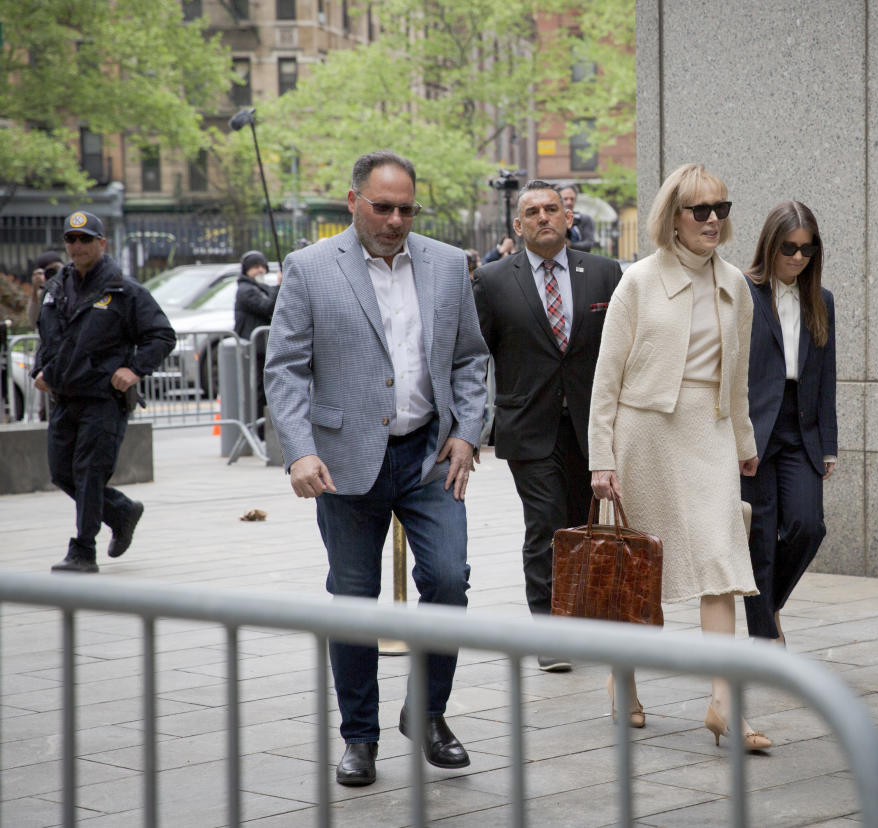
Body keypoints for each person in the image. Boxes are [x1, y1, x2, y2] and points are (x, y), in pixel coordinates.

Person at [264, 150, 488, 787]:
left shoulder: (447, 264)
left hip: (430, 456)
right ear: (353, 200)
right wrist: (300, 450)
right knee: (353, 600)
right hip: (343, 463)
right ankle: (359, 737)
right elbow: (284, 368)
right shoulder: (309, 268)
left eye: (406, 209)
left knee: (448, 580)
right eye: (382, 206)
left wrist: (468, 434)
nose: (395, 220)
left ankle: (429, 712)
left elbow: (472, 359)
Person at [588, 163, 771, 750]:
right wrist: (600, 456)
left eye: (722, 207)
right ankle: (624, 682)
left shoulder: (736, 284)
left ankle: (724, 702)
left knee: (723, 561)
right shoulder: (637, 281)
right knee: (639, 571)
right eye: (700, 210)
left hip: (710, 433)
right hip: (646, 433)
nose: (714, 219)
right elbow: (606, 377)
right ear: (673, 217)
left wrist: (744, 443)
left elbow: (737, 375)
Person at [472, 181, 623, 672]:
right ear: (517, 225)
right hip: (527, 425)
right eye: (532, 211)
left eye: (551, 209)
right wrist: (469, 428)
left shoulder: (603, 274)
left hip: (589, 425)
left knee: (582, 524)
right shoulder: (492, 281)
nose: (543, 217)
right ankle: (551, 632)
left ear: (567, 217)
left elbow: (623, 353)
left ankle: (581, 620)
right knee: (546, 524)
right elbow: (474, 359)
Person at [33, 211, 175, 573]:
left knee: (89, 473)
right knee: (62, 473)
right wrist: (41, 370)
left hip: (103, 400)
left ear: (101, 243)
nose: (76, 246)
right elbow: (48, 335)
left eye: (85, 239)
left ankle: (83, 550)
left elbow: (161, 335)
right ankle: (123, 511)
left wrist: (134, 369)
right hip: (64, 398)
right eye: (71, 239)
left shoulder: (123, 291)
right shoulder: (56, 289)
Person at [741, 202, 837, 645]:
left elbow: (826, 375)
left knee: (807, 525)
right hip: (756, 428)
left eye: (808, 250)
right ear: (769, 244)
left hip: (802, 427)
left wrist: (829, 444)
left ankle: (769, 605)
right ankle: (765, 637)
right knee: (759, 534)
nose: (798, 258)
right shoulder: (743, 292)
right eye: (789, 248)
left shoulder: (821, 301)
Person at [233, 250, 280, 438]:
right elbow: (268, 307)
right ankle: (260, 431)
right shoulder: (246, 290)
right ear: (246, 270)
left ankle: (265, 430)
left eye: (262, 266)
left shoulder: (259, 287)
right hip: (255, 349)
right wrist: (280, 284)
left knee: (267, 390)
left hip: (263, 347)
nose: (260, 270)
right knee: (259, 391)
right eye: (255, 267)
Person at [26, 251, 64, 329]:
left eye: (55, 270)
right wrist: (35, 289)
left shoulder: (71, 286)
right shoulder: (41, 293)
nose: (52, 274)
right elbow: (33, 322)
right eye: (48, 271)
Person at [559, 184, 596, 252]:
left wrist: (571, 245)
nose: (569, 202)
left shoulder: (584, 219)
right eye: (565, 199)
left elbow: (589, 243)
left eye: (572, 199)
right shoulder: (550, 219)